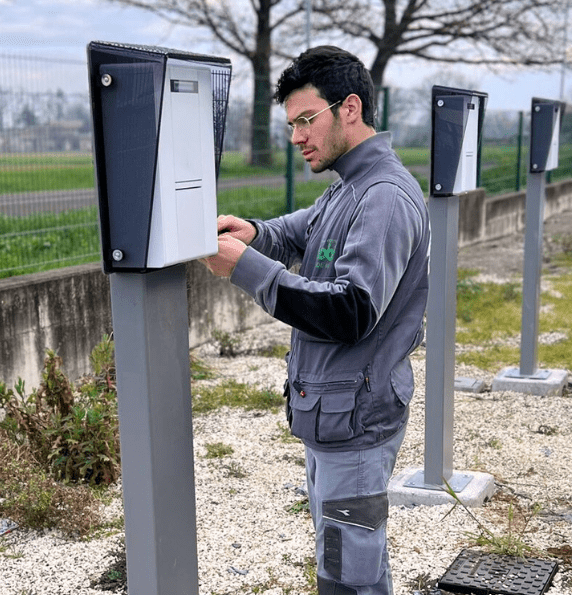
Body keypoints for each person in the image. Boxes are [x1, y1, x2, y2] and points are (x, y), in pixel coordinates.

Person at [202, 46, 430, 595]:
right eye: (291, 125)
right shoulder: (348, 186)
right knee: (352, 559)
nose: (298, 136)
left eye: (308, 120)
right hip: (335, 415)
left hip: (355, 422)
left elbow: (350, 311)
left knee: (347, 574)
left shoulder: (383, 196)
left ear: (349, 108)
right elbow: (300, 232)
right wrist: (253, 233)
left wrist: (249, 270)